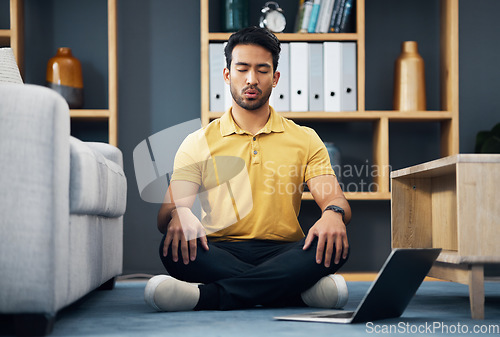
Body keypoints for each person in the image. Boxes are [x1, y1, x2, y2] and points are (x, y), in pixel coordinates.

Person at [144, 26, 351, 312]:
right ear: (227, 75)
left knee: (333, 244)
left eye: (262, 70)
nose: (251, 79)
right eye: (242, 69)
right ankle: (298, 295)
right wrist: (179, 213)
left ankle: (203, 298)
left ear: (275, 78)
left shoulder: (305, 138)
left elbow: (336, 200)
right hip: (217, 249)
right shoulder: (198, 142)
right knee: (175, 249)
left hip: (285, 251)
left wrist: (333, 214)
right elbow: (165, 215)